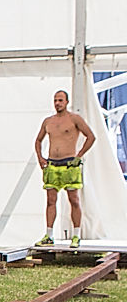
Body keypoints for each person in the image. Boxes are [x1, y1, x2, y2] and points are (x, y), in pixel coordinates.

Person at [34, 90, 94, 248]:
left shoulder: (74, 119)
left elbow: (90, 136)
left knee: (74, 199)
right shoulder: (48, 121)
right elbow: (38, 140)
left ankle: (76, 235)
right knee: (51, 201)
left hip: (69, 164)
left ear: (67, 102)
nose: (57, 103)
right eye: (55, 100)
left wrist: (79, 155)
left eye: (60, 100)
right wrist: (40, 158)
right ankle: (49, 235)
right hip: (52, 164)